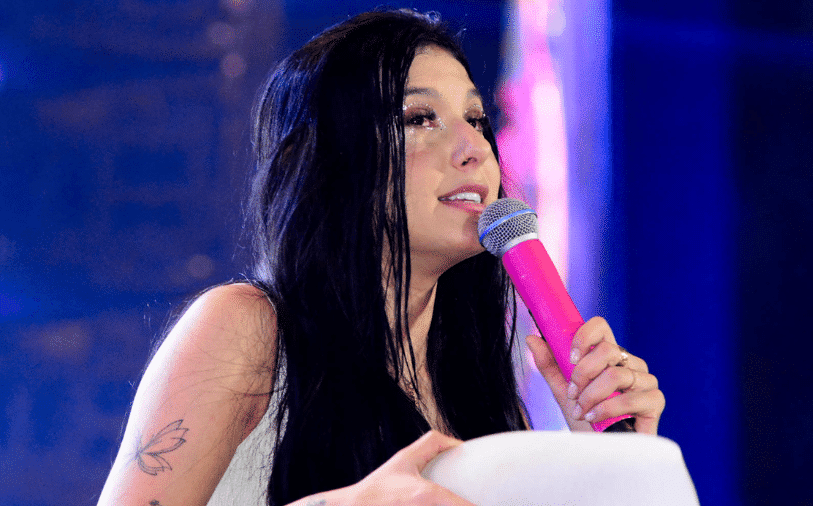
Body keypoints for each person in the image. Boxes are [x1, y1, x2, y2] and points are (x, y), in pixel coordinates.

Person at [98, 9, 665, 506]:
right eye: (420, 119)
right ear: (332, 162)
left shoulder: (479, 391)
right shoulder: (246, 329)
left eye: (476, 120)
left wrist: (608, 463)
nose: (474, 148)